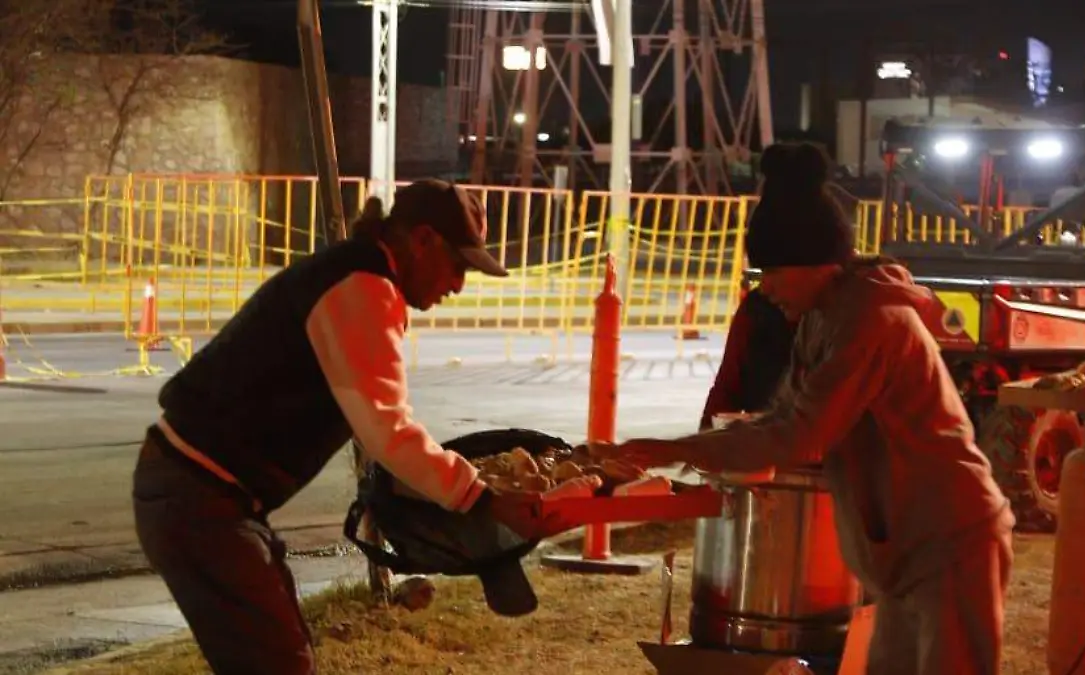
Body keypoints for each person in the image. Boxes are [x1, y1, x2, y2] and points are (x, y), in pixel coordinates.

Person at [593, 151, 1015, 675]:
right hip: (906, 554)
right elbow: (776, 420)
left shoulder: (872, 321)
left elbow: (797, 435)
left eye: (771, 271)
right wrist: (673, 453)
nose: (764, 288)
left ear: (815, 263)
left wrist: (671, 451)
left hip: (950, 542)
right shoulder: (820, 319)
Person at [131, 179, 560, 675]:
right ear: (421, 240)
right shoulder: (360, 286)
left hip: (203, 495)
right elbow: (389, 432)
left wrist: (454, 490)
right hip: (197, 500)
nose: (459, 285)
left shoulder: (357, 277)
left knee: (282, 659)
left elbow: (383, 431)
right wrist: (482, 497)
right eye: (459, 264)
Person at [700, 144, 811, 430]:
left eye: (774, 272)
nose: (766, 287)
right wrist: (704, 444)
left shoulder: (855, 321)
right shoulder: (758, 309)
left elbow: (814, 429)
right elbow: (727, 388)